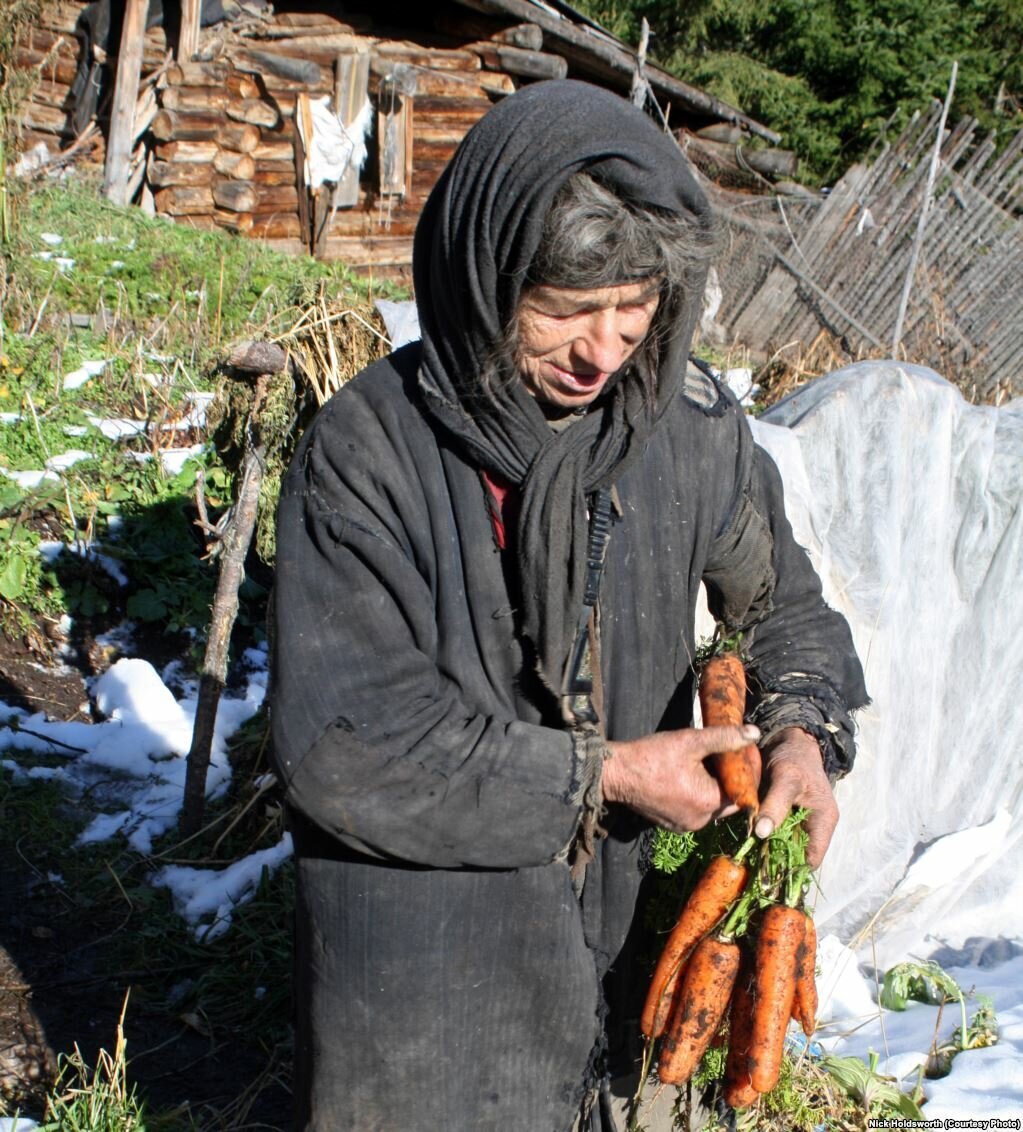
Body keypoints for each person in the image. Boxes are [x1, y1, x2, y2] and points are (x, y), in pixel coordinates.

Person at [269, 80, 868, 1132]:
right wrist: (607, 775)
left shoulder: (686, 431)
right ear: (484, 277)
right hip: (426, 970)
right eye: (565, 309)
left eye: (634, 311)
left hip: (631, 953)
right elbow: (346, 745)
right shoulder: (369, 456)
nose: (603, 350)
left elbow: (783, 609)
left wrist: (805, 731)